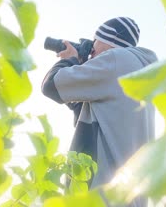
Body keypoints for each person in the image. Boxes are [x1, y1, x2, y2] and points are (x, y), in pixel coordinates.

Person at [41, 17, 157, 205]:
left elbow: (51, 86)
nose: (92, 48)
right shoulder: (141, 73)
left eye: (95, 41)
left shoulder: (116, 59)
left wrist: (69, 59)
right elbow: (87, 118)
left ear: (109, 40)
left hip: (101, 198)